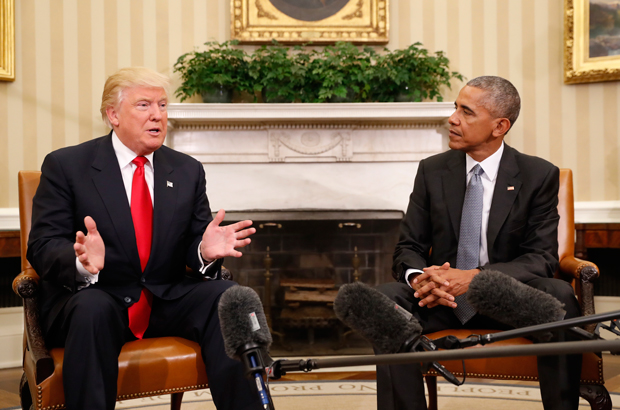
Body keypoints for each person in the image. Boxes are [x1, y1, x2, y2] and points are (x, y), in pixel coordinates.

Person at [27, 67, 264, 410]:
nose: (157, 115)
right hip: (97, 297)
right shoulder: (67, 166)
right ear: (113, 115)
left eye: (163, 105)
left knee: (232, 297)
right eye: (144, 105)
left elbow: (195, 239)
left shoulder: (186, 170)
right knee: (92, 308)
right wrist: (80, 263)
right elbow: (43, 244)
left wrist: (204, 251)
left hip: (162, 298)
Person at [376, 76, 582, 410]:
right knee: (386, 300)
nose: (452, 119)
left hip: (507, 298)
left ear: (500, 125)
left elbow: (542, 257)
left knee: (559, 297)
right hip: (442, 300)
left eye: (466, 112)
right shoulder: (432, 171)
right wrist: (421, 278)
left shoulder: (538, 175)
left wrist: (474, 277)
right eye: (455, 107)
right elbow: (409, 245)